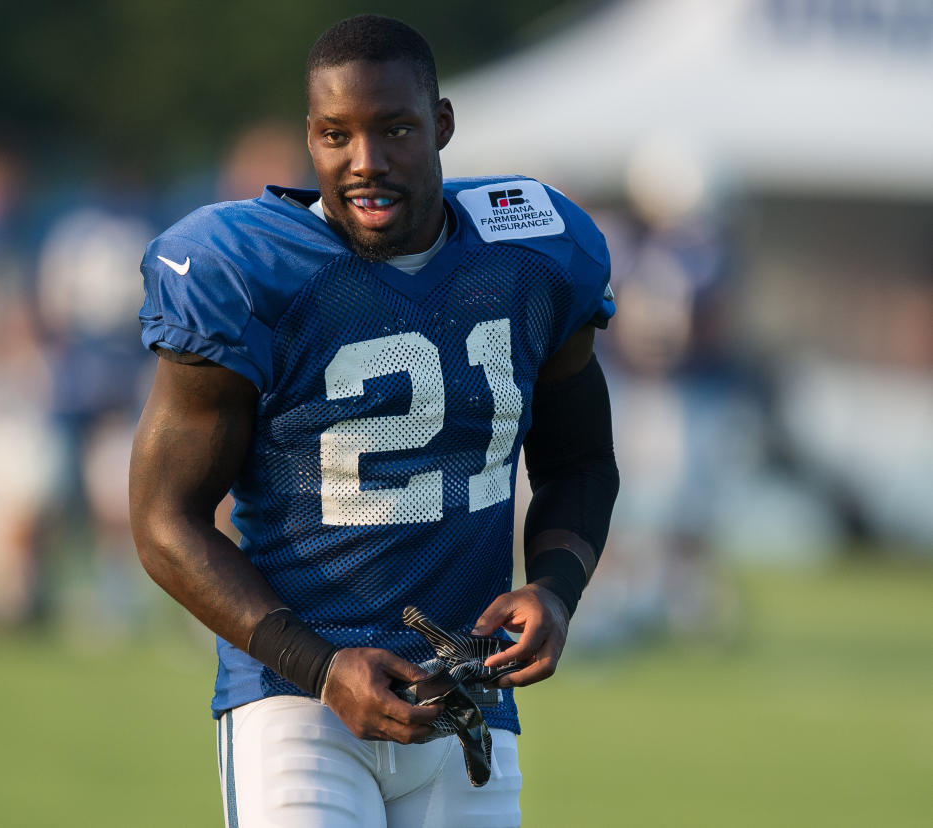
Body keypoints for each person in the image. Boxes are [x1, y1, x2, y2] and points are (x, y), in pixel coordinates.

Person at [129, 14, 619, 827]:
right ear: (309, 138)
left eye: (394, 130)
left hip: (463, 699)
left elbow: (580, 463)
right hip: (297, 703)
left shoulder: (531, 254)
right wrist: (317, 668)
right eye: (336, 135)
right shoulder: (250, 272)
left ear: (443, 126)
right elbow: (162, 520)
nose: (366, 162)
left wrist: (556, 592)